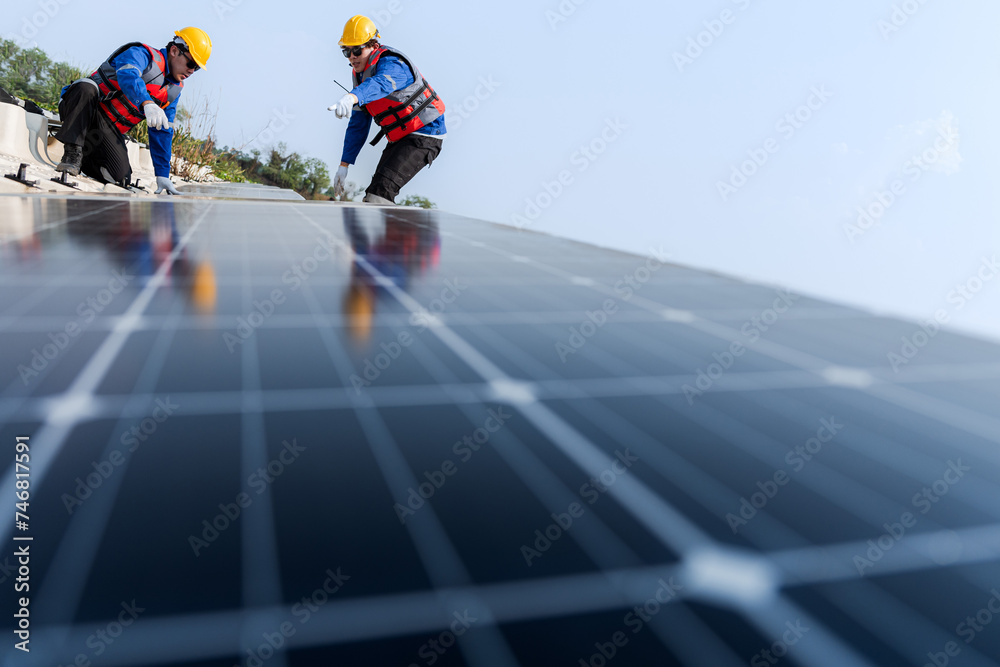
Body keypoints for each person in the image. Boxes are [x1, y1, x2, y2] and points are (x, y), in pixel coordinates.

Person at [54, 27, 212, 194]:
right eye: (191, 63)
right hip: (83, 108)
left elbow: (163, 131)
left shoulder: (173, 91)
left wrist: (162, 174)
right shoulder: (141, 54)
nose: (192, 71)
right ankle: (71, 155)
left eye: (197, 68)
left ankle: (83, 157)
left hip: (104, 128)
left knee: (120, 179)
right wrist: (146, 102)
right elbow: (128, 75)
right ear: (174, 50)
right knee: (86, 87)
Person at [328, 15, 446, 205]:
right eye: (346, 52)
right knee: (372, 196)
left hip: (425, 134)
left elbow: (381, 84)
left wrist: (353, 96)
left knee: (379, 194)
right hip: (400, 138)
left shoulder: (393, 64)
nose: (352, 57)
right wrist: (344, 164)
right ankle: (382, 234)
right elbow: (358, 125)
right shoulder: (359, 77)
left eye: (357, 50)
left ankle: (398, 233)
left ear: (373, 45)